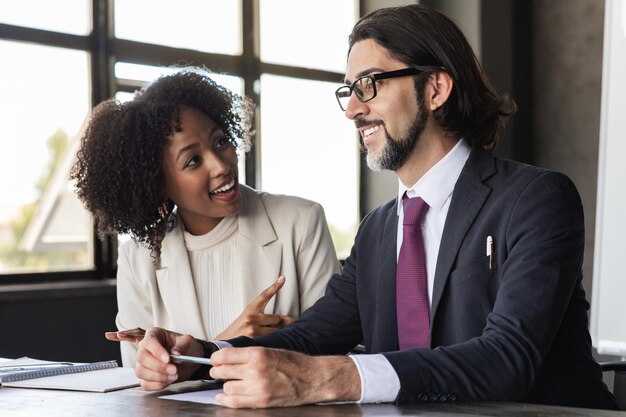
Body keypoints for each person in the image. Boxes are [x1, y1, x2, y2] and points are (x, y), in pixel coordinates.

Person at [131, 5, 618, 410]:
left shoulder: (536, 199)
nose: (352, 109)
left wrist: (332, 378)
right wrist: (203, 353)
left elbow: (509, 358)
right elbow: (312, 336)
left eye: (370, 84)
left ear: (435, 89)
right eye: (349, 90)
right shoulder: (378, 231)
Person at [70, 67, 341, 367]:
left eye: (220, 141)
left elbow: (333, 349)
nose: (221, 165)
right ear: (157, 184)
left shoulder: (301, 222)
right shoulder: (138, 260)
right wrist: (225, 344)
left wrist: (202, 356)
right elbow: (141, 379)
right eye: (193, 161)